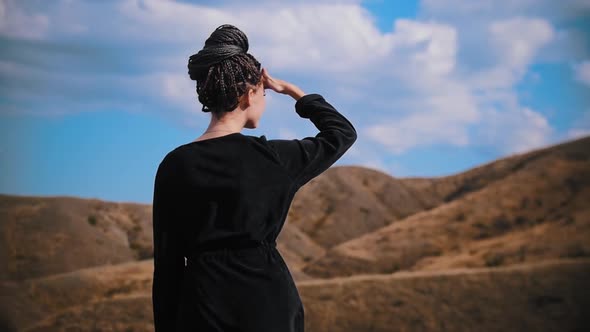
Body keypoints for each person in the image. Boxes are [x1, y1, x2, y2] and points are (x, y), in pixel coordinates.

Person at [151, 24, 357, 332]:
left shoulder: (175, 165)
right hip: (267, 302)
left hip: (202, 304)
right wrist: (294, 92)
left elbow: (167, 267)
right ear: (250, 94)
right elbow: (341, 133)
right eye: (263, 93)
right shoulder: (273, 157)